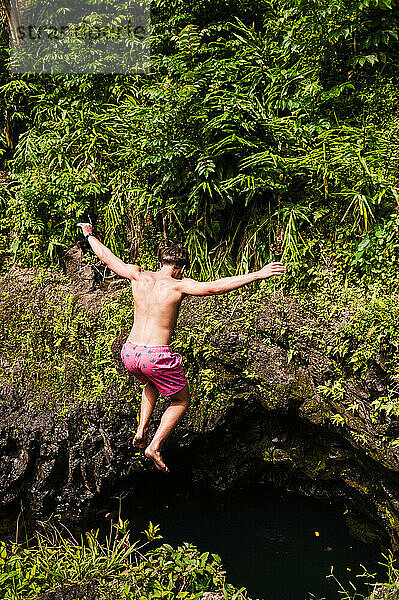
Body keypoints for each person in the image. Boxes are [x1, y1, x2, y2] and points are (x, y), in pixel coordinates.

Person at [77, 222, 286, 472]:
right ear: (180, 268)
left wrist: (89, 235)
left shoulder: (137, 274)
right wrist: (257, 274)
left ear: (161, 263)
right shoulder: (178, 284)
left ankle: (142, 429)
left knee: (151, 382)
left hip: (130, 352)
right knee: (181, 400)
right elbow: (216, 287)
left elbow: (108, 259)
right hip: (155, 355)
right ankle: (154, 445)